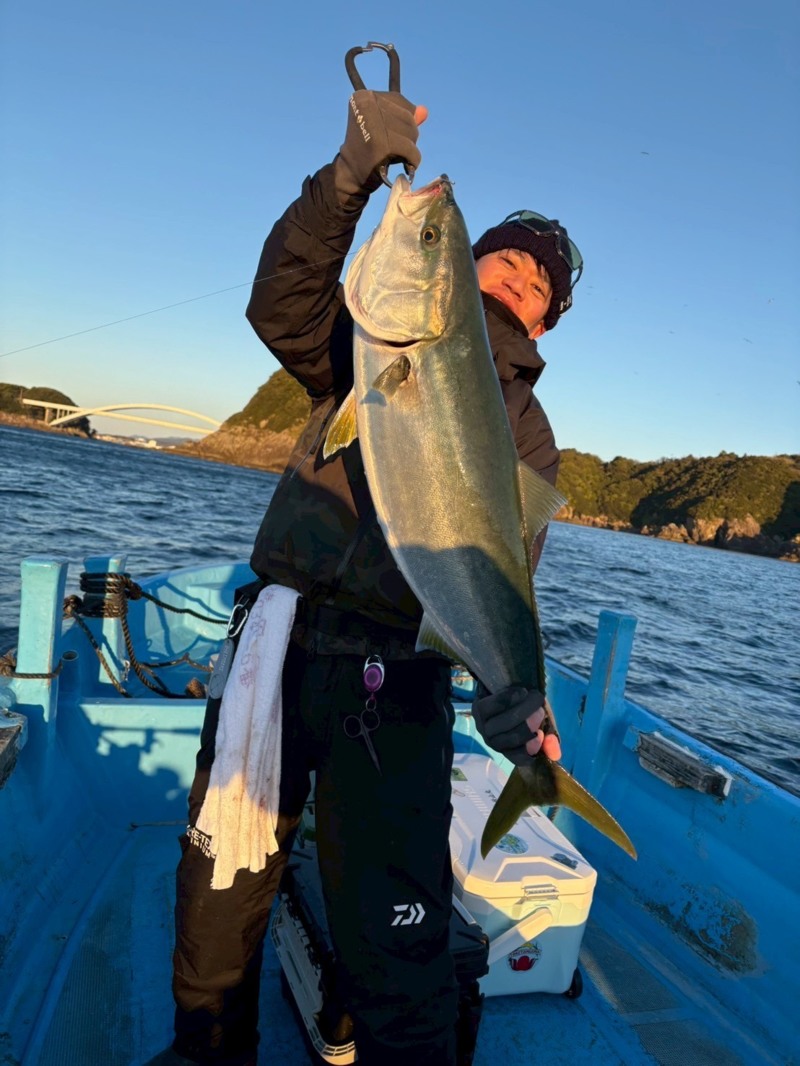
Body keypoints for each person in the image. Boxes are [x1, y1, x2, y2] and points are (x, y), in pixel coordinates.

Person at [157, 74, 582, 1066]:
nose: (515, 281)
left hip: (400, 686)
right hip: (280, 644)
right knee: (219, 891)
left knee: (399, 946)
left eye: (536, 285)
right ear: (456, 271)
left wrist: (512, 693)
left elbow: (501, 579)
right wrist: (351, 174)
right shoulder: (364, 344)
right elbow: (281, 299)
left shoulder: (529, 440)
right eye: (500, 259)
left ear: (545, 324)